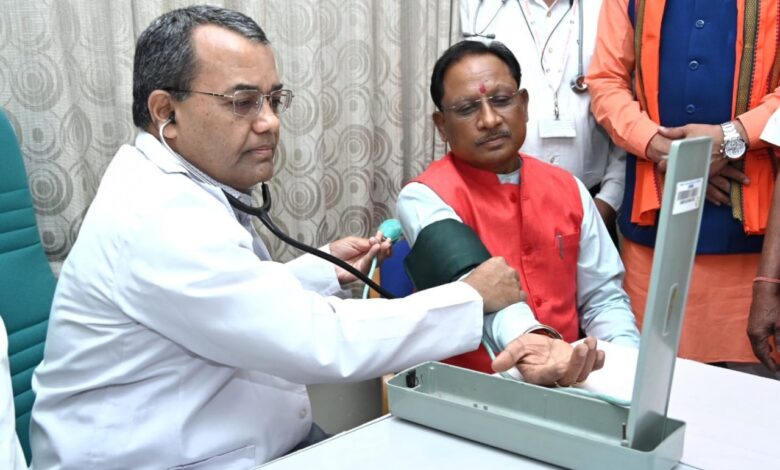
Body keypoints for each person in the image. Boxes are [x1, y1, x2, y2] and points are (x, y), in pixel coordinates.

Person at [27, 6, 601, 469]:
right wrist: (471, 297)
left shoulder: (181, 187)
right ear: (165, 112)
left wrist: (322, 267)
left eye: (274, 99)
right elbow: (314, 341)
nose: (271, 121)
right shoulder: (156, 216)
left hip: (248, 438)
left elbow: (230, 299)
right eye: (243, 101)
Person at [396, 40, 640, 378]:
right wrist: (536, 347)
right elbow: (474, 282)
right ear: (441, 125)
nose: (490, 119)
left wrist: (626, 370)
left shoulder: (569, 188)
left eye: (501, 100)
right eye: (467, 108)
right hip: (472, 392)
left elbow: (603, 299)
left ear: (523, 105)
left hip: (570, 385)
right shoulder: (424, 197)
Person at [588, 0, 780, 368]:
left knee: (749, 402)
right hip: (653, 235)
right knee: (652, 383)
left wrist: (730, 138)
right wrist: (663, 150)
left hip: (755, 245)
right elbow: (606, 80)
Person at [459, 0, 625, 242]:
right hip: (501, 207)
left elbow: (626, 105)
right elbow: (467, 100)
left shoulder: (608, 8)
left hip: (593, 206)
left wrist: (608, 202)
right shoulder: (481, 8)